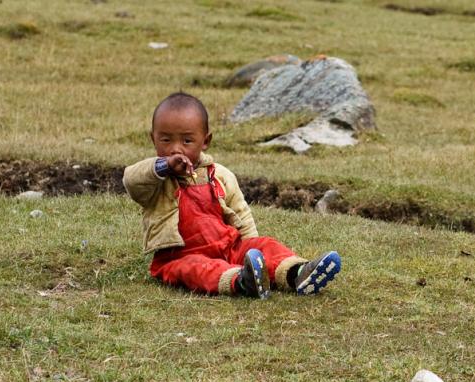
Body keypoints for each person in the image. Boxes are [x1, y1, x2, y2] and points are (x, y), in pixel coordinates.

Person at [123, 92, 341, 299]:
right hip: (179, 256)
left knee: (267, 245)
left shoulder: (219, 175)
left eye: (187, 141)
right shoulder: (155, 179)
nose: (175, 149)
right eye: (166, 140)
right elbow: (131, 180)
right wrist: (164, 166)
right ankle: (242, 281)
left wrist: (252, 249)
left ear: (205, 141)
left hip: (229, 248)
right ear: (153, 139)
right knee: (195, 269)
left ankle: (297, 273)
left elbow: (240, 212)